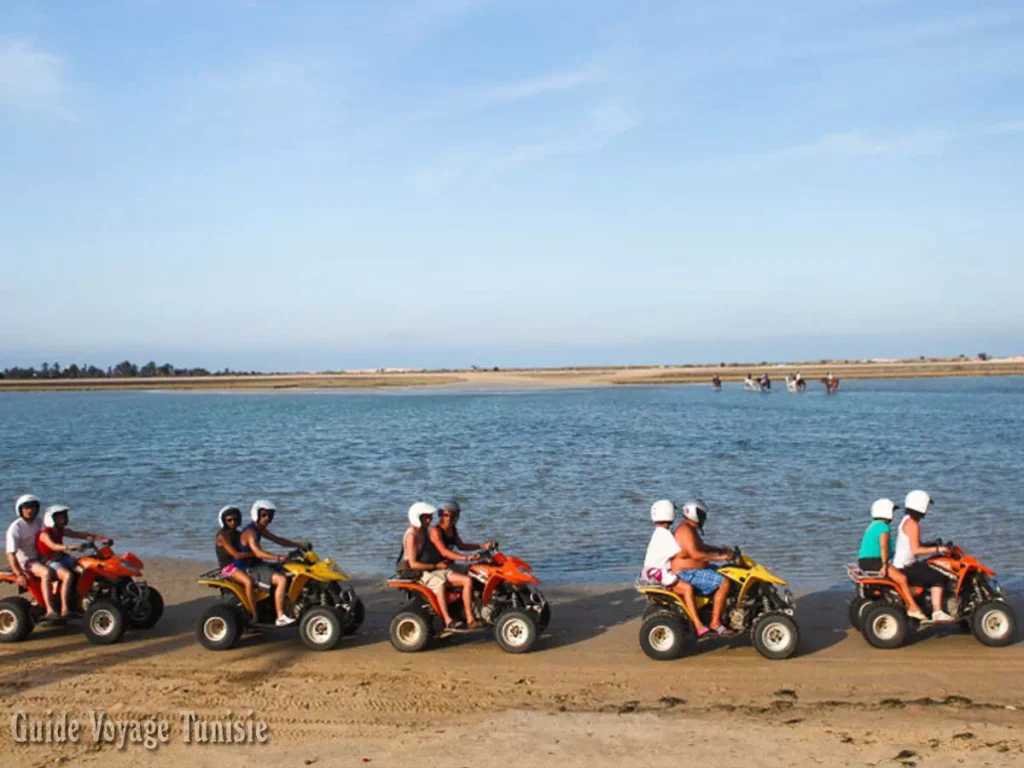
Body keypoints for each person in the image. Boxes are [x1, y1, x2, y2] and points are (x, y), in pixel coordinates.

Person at [640, 500, 709, 637]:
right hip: (659, 574)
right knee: (687, 588)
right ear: (670, 514)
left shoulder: (660, 533)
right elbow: (681, 554)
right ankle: (698, 624)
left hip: (652, 571)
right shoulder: (665, 536)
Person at [398, 502, 464, 631]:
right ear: (417, 517)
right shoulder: (412, 535)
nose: (430, 519)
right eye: (426, 517)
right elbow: (413, 563)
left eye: (430, 516)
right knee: (440, 583)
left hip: (426, 568)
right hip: (414, 571)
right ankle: (447, 620)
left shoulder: (423, 531)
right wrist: (436, 566)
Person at [671, 499, 734, 635]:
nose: (704, 518)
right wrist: (721, 557)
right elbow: (697, 555)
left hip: (695, 571)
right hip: (686, 573)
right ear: (696, 514)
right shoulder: (685, 531)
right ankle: (715, 622)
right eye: (703, 515)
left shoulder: (690, 528)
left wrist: (720, 549)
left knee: (729, 573)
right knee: (724, 582)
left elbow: (702, 547)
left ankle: (719, 609)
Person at [424, 501, 490, 629]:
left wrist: (481, 546)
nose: (450, 519)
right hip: (438, 568)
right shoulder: (435, 531)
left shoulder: (452, 529)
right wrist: (465, 558)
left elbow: (461, 545)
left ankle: (479, 607)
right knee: (467, 581)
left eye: (453, 516)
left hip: (449, 566)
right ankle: (470, 618)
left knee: (478, 571)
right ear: (441, 515)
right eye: (447, 515)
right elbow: (444, 552)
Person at [36, 504, 110, 619]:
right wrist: (71, 547)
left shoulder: (61, 530)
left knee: (86, 567)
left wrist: (100, 538)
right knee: (68, 575)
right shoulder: (44, 534)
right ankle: (65, 609)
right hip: (50, 561)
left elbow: (80, 534)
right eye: (59, 517)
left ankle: (79, 601)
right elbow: (54, 546)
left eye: (64, 516)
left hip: (62, 558)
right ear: (51, 519)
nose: (63, 519)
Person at [857, 499, 926, 621]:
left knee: (897, 577)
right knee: (902, 578)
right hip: (875, 561)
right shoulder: (883, 527)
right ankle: (912, 607)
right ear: (886, 512)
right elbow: (883, 547)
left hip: (864, 561)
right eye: (892, 511)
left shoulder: (873, 525)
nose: (893, 515)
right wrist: (884, 565)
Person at [239, 499, 304, 627]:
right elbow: (258, 553)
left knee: (291, 569)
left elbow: (278, 540)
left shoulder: (260, 529)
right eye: (264, 515)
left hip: (258, 564)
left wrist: (299, 545)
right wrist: (278, 557)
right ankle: (280, 617)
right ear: (256, 514)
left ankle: (289, 605)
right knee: (281, 580)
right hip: (250, 568)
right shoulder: (251, 532)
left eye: (270, 515)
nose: (267, 518)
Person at [893, 490, 952, 622]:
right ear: (922, 507)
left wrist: (930, 544)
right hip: (906, 567)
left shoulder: (906, 520)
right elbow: (915, 550)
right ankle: (937, 611)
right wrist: (938, 548)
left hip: (902, 565)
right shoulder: (913, 525)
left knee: (928, 567)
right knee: (939, 576)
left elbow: (913, 544)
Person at [5, 494, 61, 621]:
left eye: (33, 507)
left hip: (41, 558)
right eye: (26, 507)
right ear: (20, 509)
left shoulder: (38, 522)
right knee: (47, 573)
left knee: (68, 566)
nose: (30, 510)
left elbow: (49, 536)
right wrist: (19, 574)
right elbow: (11, 554)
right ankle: (50, 609)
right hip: (26, 561)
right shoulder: (15, 528)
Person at [215, 505, 258, 623]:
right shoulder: (222, 536)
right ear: (224, 521)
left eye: (235, 519)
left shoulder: (238, 533)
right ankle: (254, 615)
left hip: (239, 564)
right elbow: (236, 555)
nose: (233, 522)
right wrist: (255, 554)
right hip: (228, 567)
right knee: (248, 582)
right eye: (229, 520)